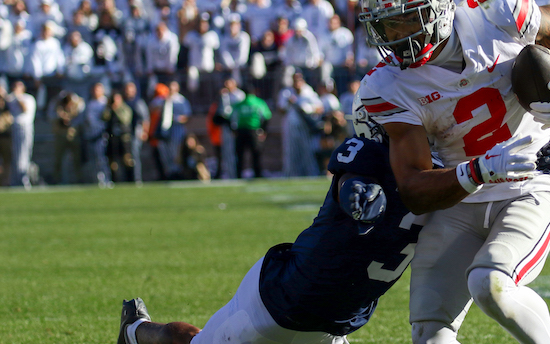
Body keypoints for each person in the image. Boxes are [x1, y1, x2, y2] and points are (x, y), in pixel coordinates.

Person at [355, 0, 550, 343]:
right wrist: (479, 170)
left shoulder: (499, 13)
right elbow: (414, 188)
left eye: (407, 19)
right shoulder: (386, 85)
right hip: (461, 194)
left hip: (532, 179)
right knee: (430, 330)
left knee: (491, 283)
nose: (396, 36)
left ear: (438, 5)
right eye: (387, 25)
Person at [116, 96, 453, 343]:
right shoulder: (370, 155)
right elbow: (348, 180)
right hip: (281, 300)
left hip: (336, 319)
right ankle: (134, 330)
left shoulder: (442, 177)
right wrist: (358, 194)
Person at [277, 73, 322, 177]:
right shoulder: (286, 92)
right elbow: (280, 109)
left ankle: (311, 173)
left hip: (305, 126)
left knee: (307, 150)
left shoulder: (308, 91)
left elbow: (319, 108)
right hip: (290, 126)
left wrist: (308, 108)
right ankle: (291, 174)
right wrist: (289, 103)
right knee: (290, 151)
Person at [231, 85, 271, 178]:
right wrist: (263, 130)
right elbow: (267, 116)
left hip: (241, 131)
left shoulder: (239, 104)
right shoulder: (258, 102)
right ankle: (258, 174)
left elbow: (232, 118)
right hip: (254, 131)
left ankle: (238, 175)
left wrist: (234, 130)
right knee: (256, 155)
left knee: (240, 155)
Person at [6, 81, 36, 187]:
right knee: (16, 155)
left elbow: (24, 109)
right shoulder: (11, 98)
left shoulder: (28, 98)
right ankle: (15, 180)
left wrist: (18, 96)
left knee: (23, 154)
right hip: (14, 128)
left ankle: (24, 180)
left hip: (24, 128)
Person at [51, 91, 84, 184]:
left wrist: (70, 117)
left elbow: (79, 116)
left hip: (73, 135)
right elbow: (52, 116)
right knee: (58, 159)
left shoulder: (77, 107)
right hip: (61, 135)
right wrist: (61, 116)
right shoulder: (58, 108)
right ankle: (57, 179)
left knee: (77, 159)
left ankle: (79, 178)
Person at [123, 82, 149, 183]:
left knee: (135, 156)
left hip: (135, 132)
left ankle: (137, 179)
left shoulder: (138, 102)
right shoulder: (123, 101)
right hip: (125, 133)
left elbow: (145, 118)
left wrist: (144, 132)